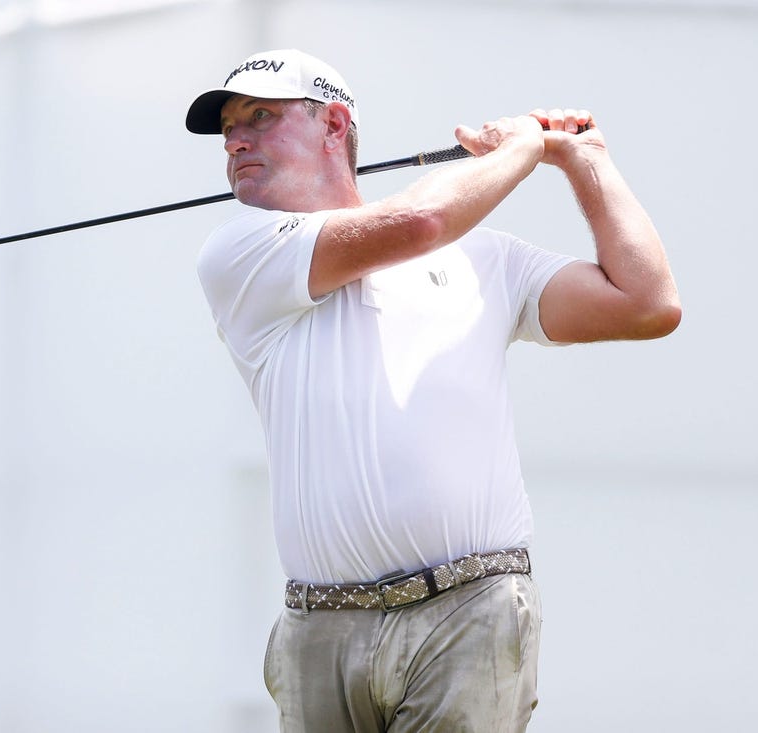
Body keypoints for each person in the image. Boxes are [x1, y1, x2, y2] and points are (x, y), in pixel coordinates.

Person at [185, 49, 680, 732]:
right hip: (319, 629)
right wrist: (520, 150)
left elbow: (646, 302)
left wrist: (584, 160)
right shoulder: (240, 250)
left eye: (260, 117)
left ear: (334, 124)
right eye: (229, 129)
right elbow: (418, 224)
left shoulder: (487, 257)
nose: (236, 139)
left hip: (469, 611)